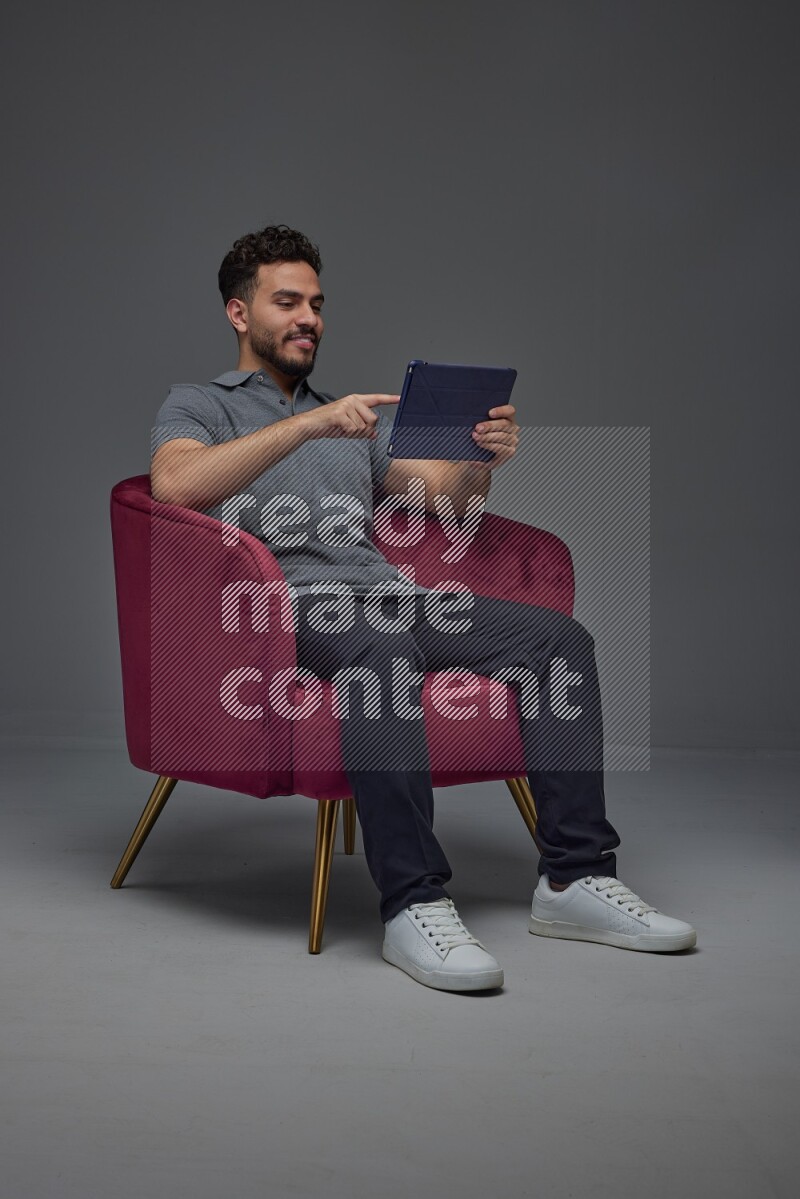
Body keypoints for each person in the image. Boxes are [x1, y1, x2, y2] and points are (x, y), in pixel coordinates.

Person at [150, 223, 697, 993]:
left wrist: (479, 456)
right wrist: (303, 422)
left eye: (317, 302)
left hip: (390, 599)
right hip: (283, 612)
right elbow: (174, 486)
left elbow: (443, 499)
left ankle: (574, 880)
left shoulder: (351, 417)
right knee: (379, 647)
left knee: (559, 642)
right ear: (240, 314)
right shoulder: (200, 404)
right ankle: (414, 903)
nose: (310, 316)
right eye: (287, 301)